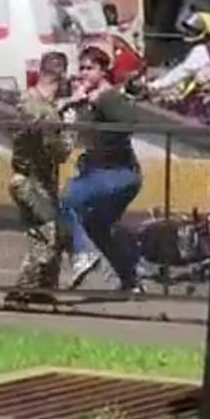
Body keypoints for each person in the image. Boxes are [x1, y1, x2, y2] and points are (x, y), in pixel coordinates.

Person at [60, 43, 144, 293]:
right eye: (81, 68)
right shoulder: (87, 100)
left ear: (103, 71)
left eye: (90, 68)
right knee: (98, 227)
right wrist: (74, 104)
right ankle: (131, 280)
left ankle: (82, 254)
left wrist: (99, 102)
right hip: (98, 173)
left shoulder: (108, 97)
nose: (83, 73)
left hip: (118, 174)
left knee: (65, 199)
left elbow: (130, 121)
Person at [5, 68, 71, 302]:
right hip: (34, 183)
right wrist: (68, 127)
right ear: (59, 78)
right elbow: (61, 152)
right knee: (47, 236)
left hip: (23, 178)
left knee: (50, 234)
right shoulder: (46, 114)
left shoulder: (25, 100)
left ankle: (43, 289)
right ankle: (22, 290)